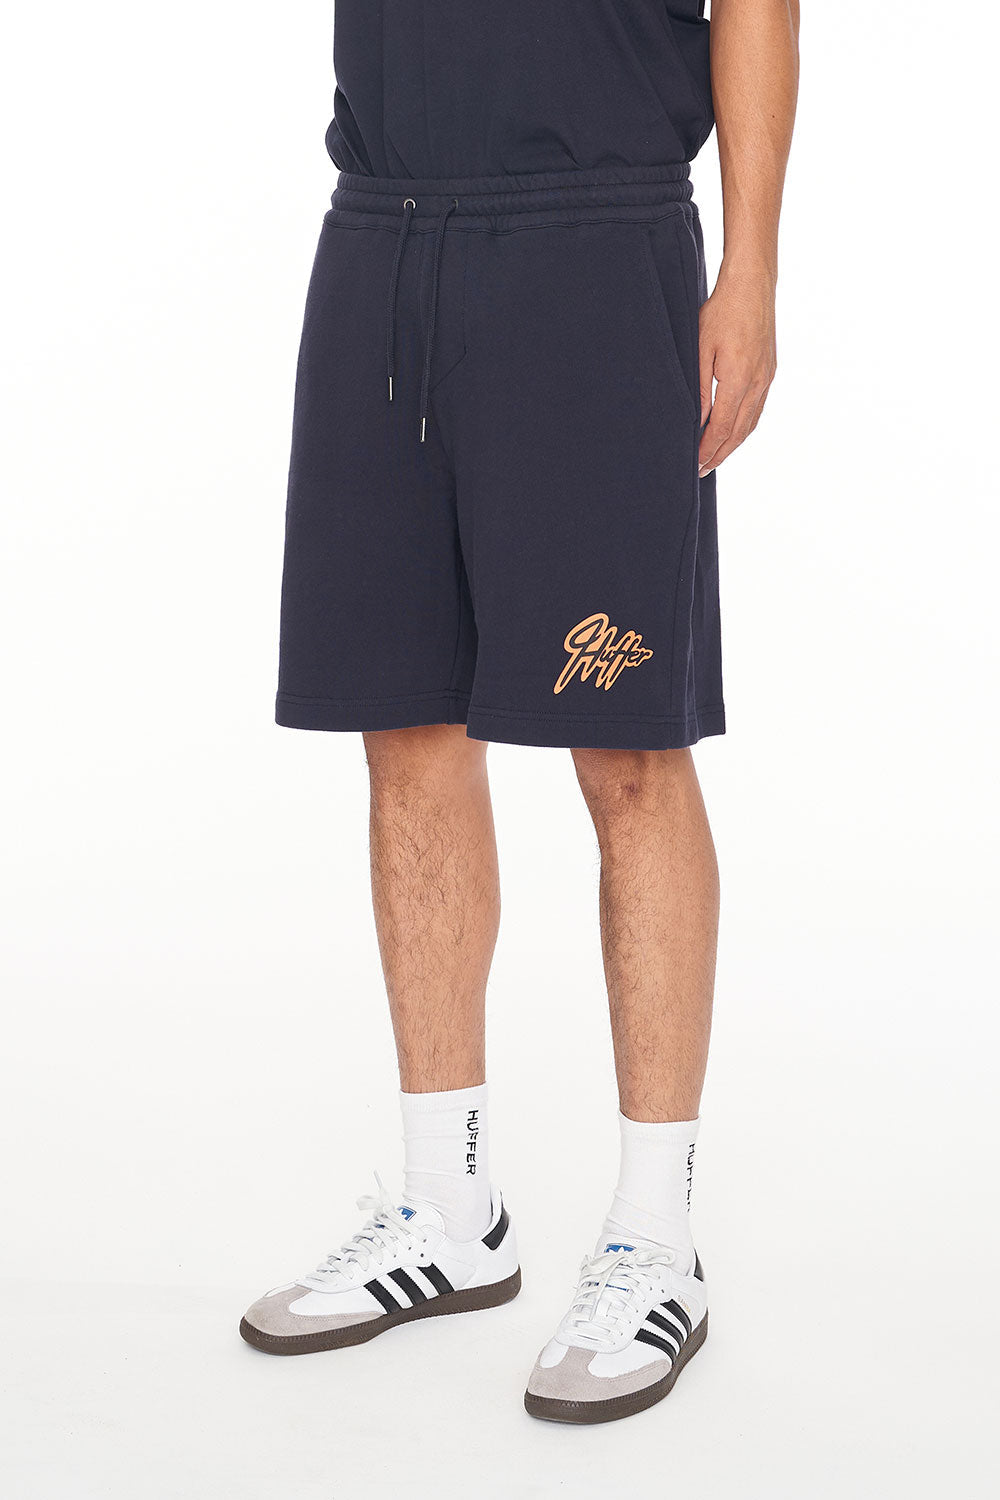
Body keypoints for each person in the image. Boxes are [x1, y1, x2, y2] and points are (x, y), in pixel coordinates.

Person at [240, 0, 799, 1425]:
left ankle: (656, 1238)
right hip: (382, 232)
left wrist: (750, 270)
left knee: (631, 748)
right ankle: (448, 1208)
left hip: (595, 240)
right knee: (407, 727)